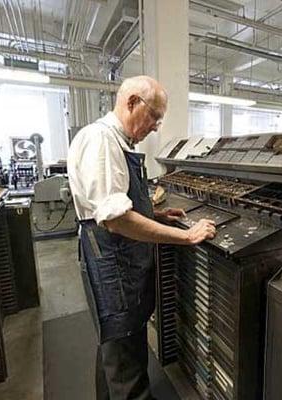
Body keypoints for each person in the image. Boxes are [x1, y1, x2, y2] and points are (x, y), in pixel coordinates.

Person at [67, 75, 216, 400]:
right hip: (113, 264)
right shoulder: (103, 141)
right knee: (129, 367)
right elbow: (117, 218)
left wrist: (155, 216)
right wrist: (187, 237)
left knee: (114, 345)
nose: (157, 126)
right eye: (155, 116)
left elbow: (113, 203)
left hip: (113, 259)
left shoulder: (116, 142)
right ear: (132, 102)